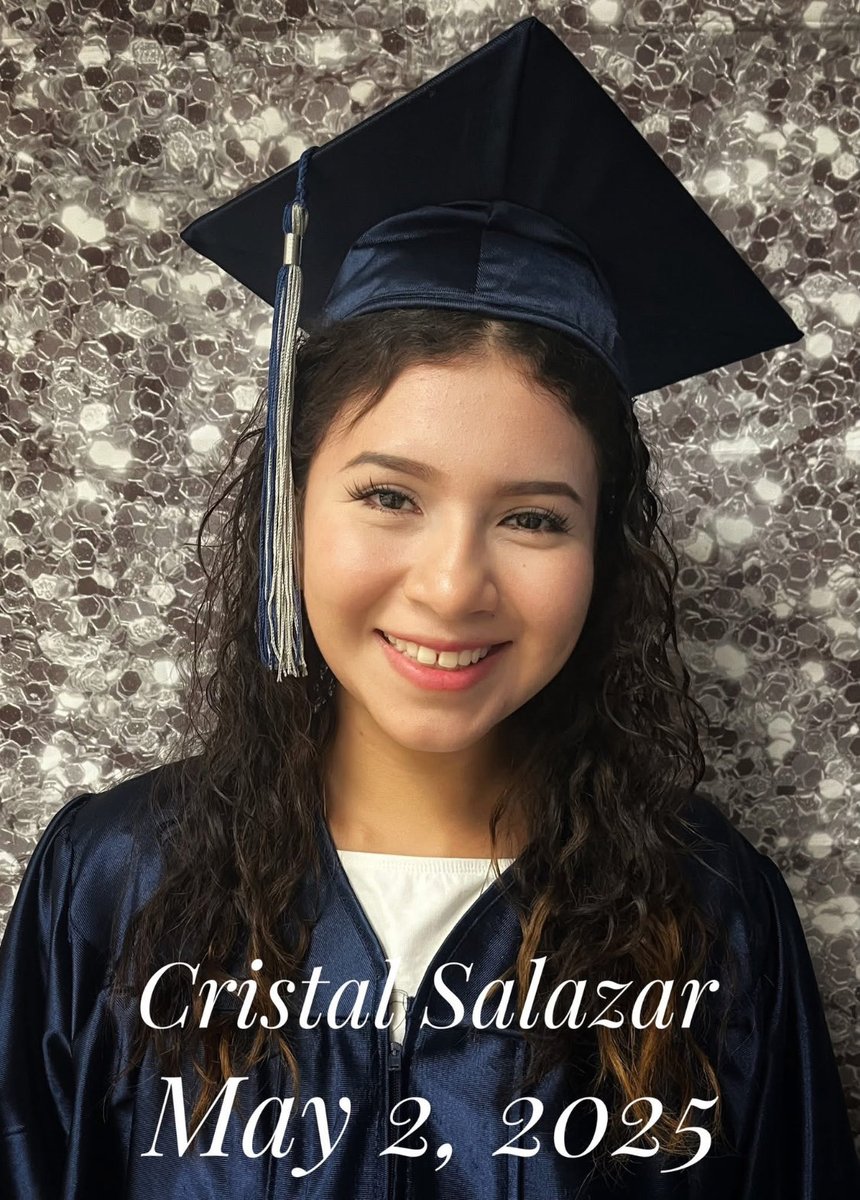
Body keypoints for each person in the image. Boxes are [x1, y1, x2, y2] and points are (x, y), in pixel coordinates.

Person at [0, 16, 857, 1199]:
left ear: (603, 550)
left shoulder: (711, 917)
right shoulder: (111, 885)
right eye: (390, 494)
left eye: (534, 517)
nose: (453, 585)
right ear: (286, 506)